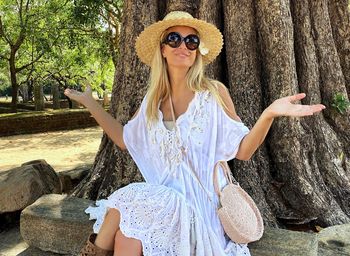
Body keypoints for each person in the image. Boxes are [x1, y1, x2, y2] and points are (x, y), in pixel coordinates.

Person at [64, 11, 325, 256]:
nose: (183, 46)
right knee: (125, 238)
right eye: (174, 39)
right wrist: (90, 103)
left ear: (197, 50)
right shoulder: (152, 101)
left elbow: (244, 151)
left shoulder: (213, 94)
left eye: (191, 41)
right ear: (163, 49)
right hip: (162, 206)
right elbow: (124, 139)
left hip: (199, 209)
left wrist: (269, 114)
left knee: (129, 197)